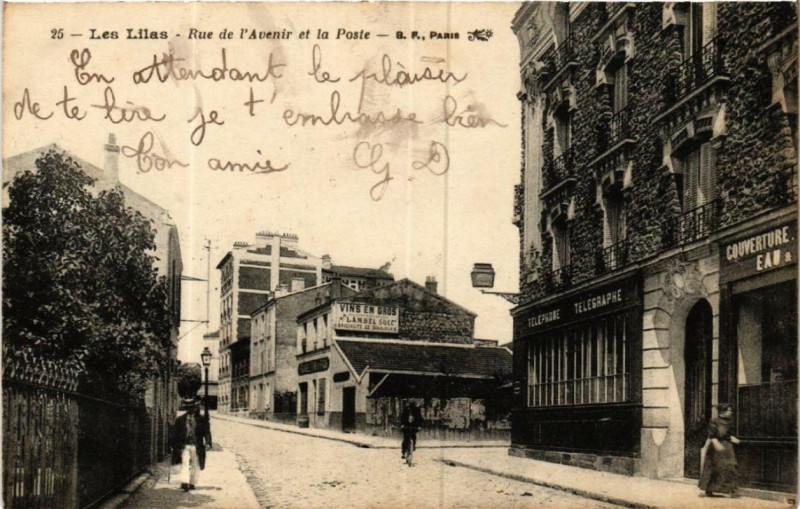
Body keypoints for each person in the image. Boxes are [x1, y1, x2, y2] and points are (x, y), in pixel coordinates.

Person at [171, 397, 213, 491]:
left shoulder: (202, 419)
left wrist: (208, 443)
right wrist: (173, 445)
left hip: (197, 445)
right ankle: (185, 483)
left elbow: (206, 431)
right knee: (185, 463)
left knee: (196, 464)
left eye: (192, 407)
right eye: (188, 407)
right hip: (184, 445)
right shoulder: (180, 420)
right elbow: (175, 433)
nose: (191, 409)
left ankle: (192, 483)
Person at [699, 404, 740, 497]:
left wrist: (733, 438)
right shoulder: (714, 421)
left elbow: (728, 434)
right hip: (716, 446)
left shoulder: (729, 422)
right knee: (714, 467)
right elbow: (712, 435)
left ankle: (729, 490)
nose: (731, 412)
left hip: (727, 446)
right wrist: (716, 443)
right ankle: (709, 489)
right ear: (723, 411)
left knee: (730, 466)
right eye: (729, 410)